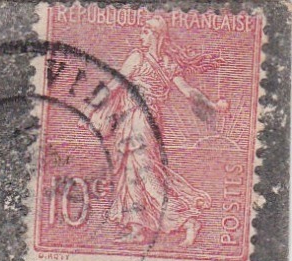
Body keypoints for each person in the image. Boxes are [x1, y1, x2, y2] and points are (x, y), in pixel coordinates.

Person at [90, 15, 229, 247]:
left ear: (155, 34)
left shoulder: (140, 58)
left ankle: (187, 220)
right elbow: (187, 91)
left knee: (143, 173)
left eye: (144, 32)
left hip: (139, 121)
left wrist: (90, 107)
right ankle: (136, 228)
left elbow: (114, 85)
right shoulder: (167, 64)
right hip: (145, 122)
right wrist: (213, 105)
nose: (141, 36)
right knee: (131, 172)